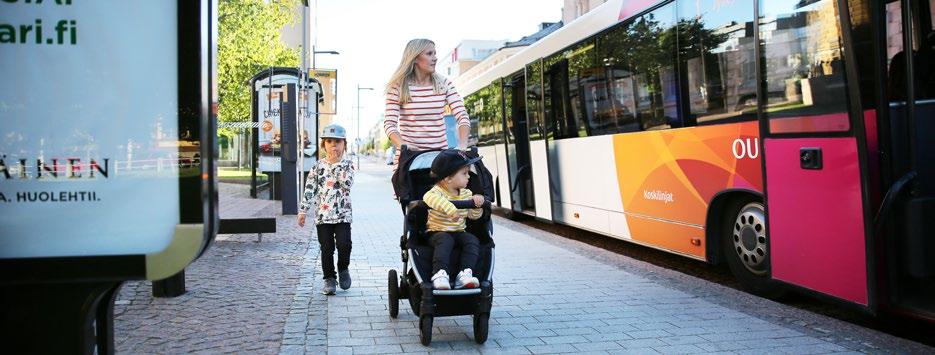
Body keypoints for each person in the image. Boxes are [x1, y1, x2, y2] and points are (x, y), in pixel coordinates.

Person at [384, 38, 471, 170]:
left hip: (439, 160)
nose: (435, 58)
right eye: (429, 54)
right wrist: (403, 145)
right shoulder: (398, 87)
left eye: (435, 53)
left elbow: (462, 116)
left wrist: (462, 145)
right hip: (409, 159)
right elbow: (389, 125)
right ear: (415, 58)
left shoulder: (444, 84)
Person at [297, 124, 355, 295]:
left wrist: (336, 164)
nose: (333, 145)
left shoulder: (348, 165)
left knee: (344, 245)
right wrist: (303, 211)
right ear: (324, 145)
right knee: (327, 248)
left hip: (343, 214)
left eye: (337, 142)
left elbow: (348, 184)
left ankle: (343, 269)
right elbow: (309, 189)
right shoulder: (317, 167)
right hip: (323, 216)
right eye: (329, 141)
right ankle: (329, 278)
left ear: (344, 144)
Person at [422, 149, 485, 290]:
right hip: (437, 232)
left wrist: (476, 205)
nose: (468, 176)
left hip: (458, 232)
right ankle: (439, 273)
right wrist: (450, 209)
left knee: (472, 241)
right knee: (445, 240)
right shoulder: (436, 191)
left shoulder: (467, 193)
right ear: (448, 178)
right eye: (464, 173)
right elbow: (428, 198)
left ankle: (464, 274)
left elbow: (473, 217)